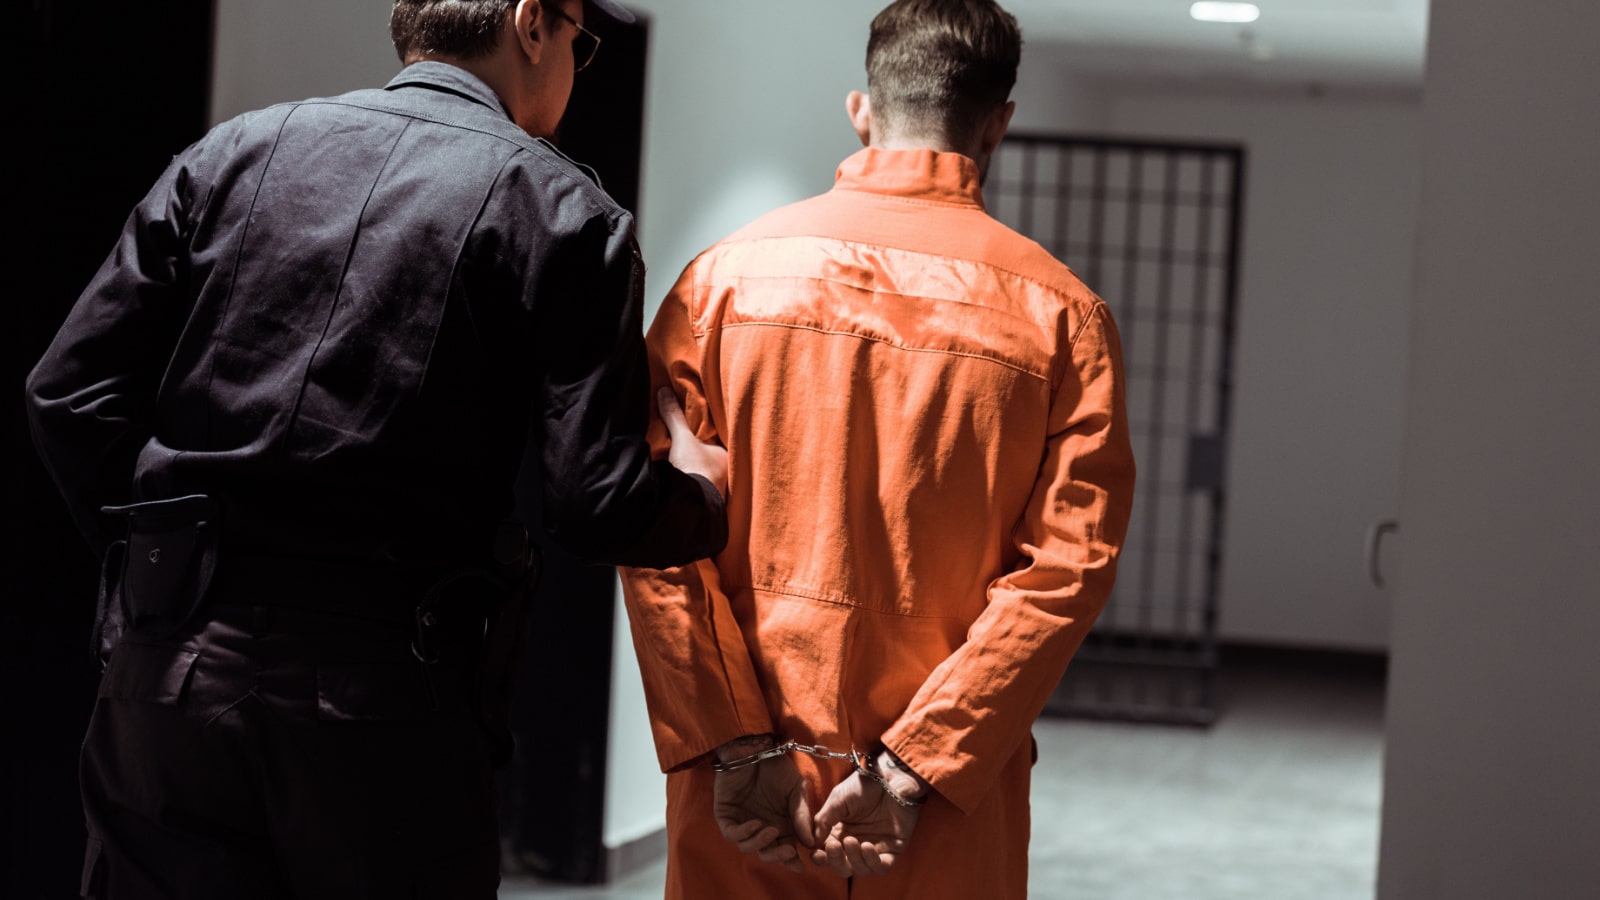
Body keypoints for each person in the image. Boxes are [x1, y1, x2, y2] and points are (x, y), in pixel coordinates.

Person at [23, 1, 729, 896]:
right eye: (580, 39)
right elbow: (594, 503)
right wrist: (701, 497)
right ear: (531, 25)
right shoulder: (565, 214)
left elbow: (66, 393)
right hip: (385, 708)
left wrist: (170, 561)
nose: (578, 66)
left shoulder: (232, 152)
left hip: (170, 680)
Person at [618, 0, 1137, 897]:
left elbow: (655, 533)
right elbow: (1066, 573)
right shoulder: (1063, 322)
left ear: (862, 107)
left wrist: (736, 740)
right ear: (998, 126)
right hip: (935, 810)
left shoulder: (720, 284)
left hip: (748, 793)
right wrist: (912, 766)